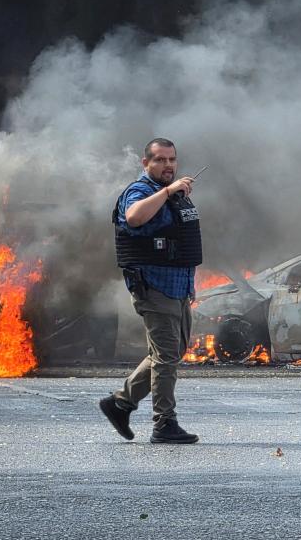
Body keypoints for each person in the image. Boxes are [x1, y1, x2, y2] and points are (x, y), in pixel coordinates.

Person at [99, 138, 201, 444]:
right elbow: (134, 217)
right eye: (160, 160)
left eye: (172, 159)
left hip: (177, 287)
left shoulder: (175, 195)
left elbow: (181, 242)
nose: (168, 165)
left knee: (170, 352)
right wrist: (168, 192)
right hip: (154, 286)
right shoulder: (140, 191)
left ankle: (120, 403)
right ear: (146, 163)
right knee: (166, 356)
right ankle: (164, 423)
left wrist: (189, 285)